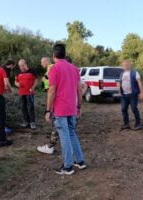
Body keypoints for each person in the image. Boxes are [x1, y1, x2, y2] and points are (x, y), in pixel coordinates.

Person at [45, 44, 86, 175]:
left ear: (53, 55)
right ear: (64, 54)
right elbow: (79, 89)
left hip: (60, 109)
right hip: (72, 107)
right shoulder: (74, 68)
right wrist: (79, 105)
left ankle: (67, 167)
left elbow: (51, 91)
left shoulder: (54, 69)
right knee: (72, 133)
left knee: (64, 136)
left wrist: (47, 110)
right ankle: (80, 161)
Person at [117, 60, 143, 130]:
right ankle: (126, 124)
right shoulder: (121, 74)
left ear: (130, 65)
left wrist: (142, 92)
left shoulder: (135, 73)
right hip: (124, 95)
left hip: (133, 94)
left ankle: (138, 124)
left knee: (134, 108)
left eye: (127, 65)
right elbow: (119, 83)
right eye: (124, 65)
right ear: (122, 66)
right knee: (123, 109)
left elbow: (139, 82)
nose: (125, 66)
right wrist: (119, 91)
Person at [15, 59, 38, 130]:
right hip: (21, 93)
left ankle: (32, 122)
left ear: (26, 64)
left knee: (30, 107)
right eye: (20, 66)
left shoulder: (32, 71)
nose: (21, 67)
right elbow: (15, 81)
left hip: (30, 93)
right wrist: (17, 84)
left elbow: (36, 81)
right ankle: (26, 122)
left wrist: (33, 87)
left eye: (22, 65)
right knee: (23, 107)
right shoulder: (18, 72)